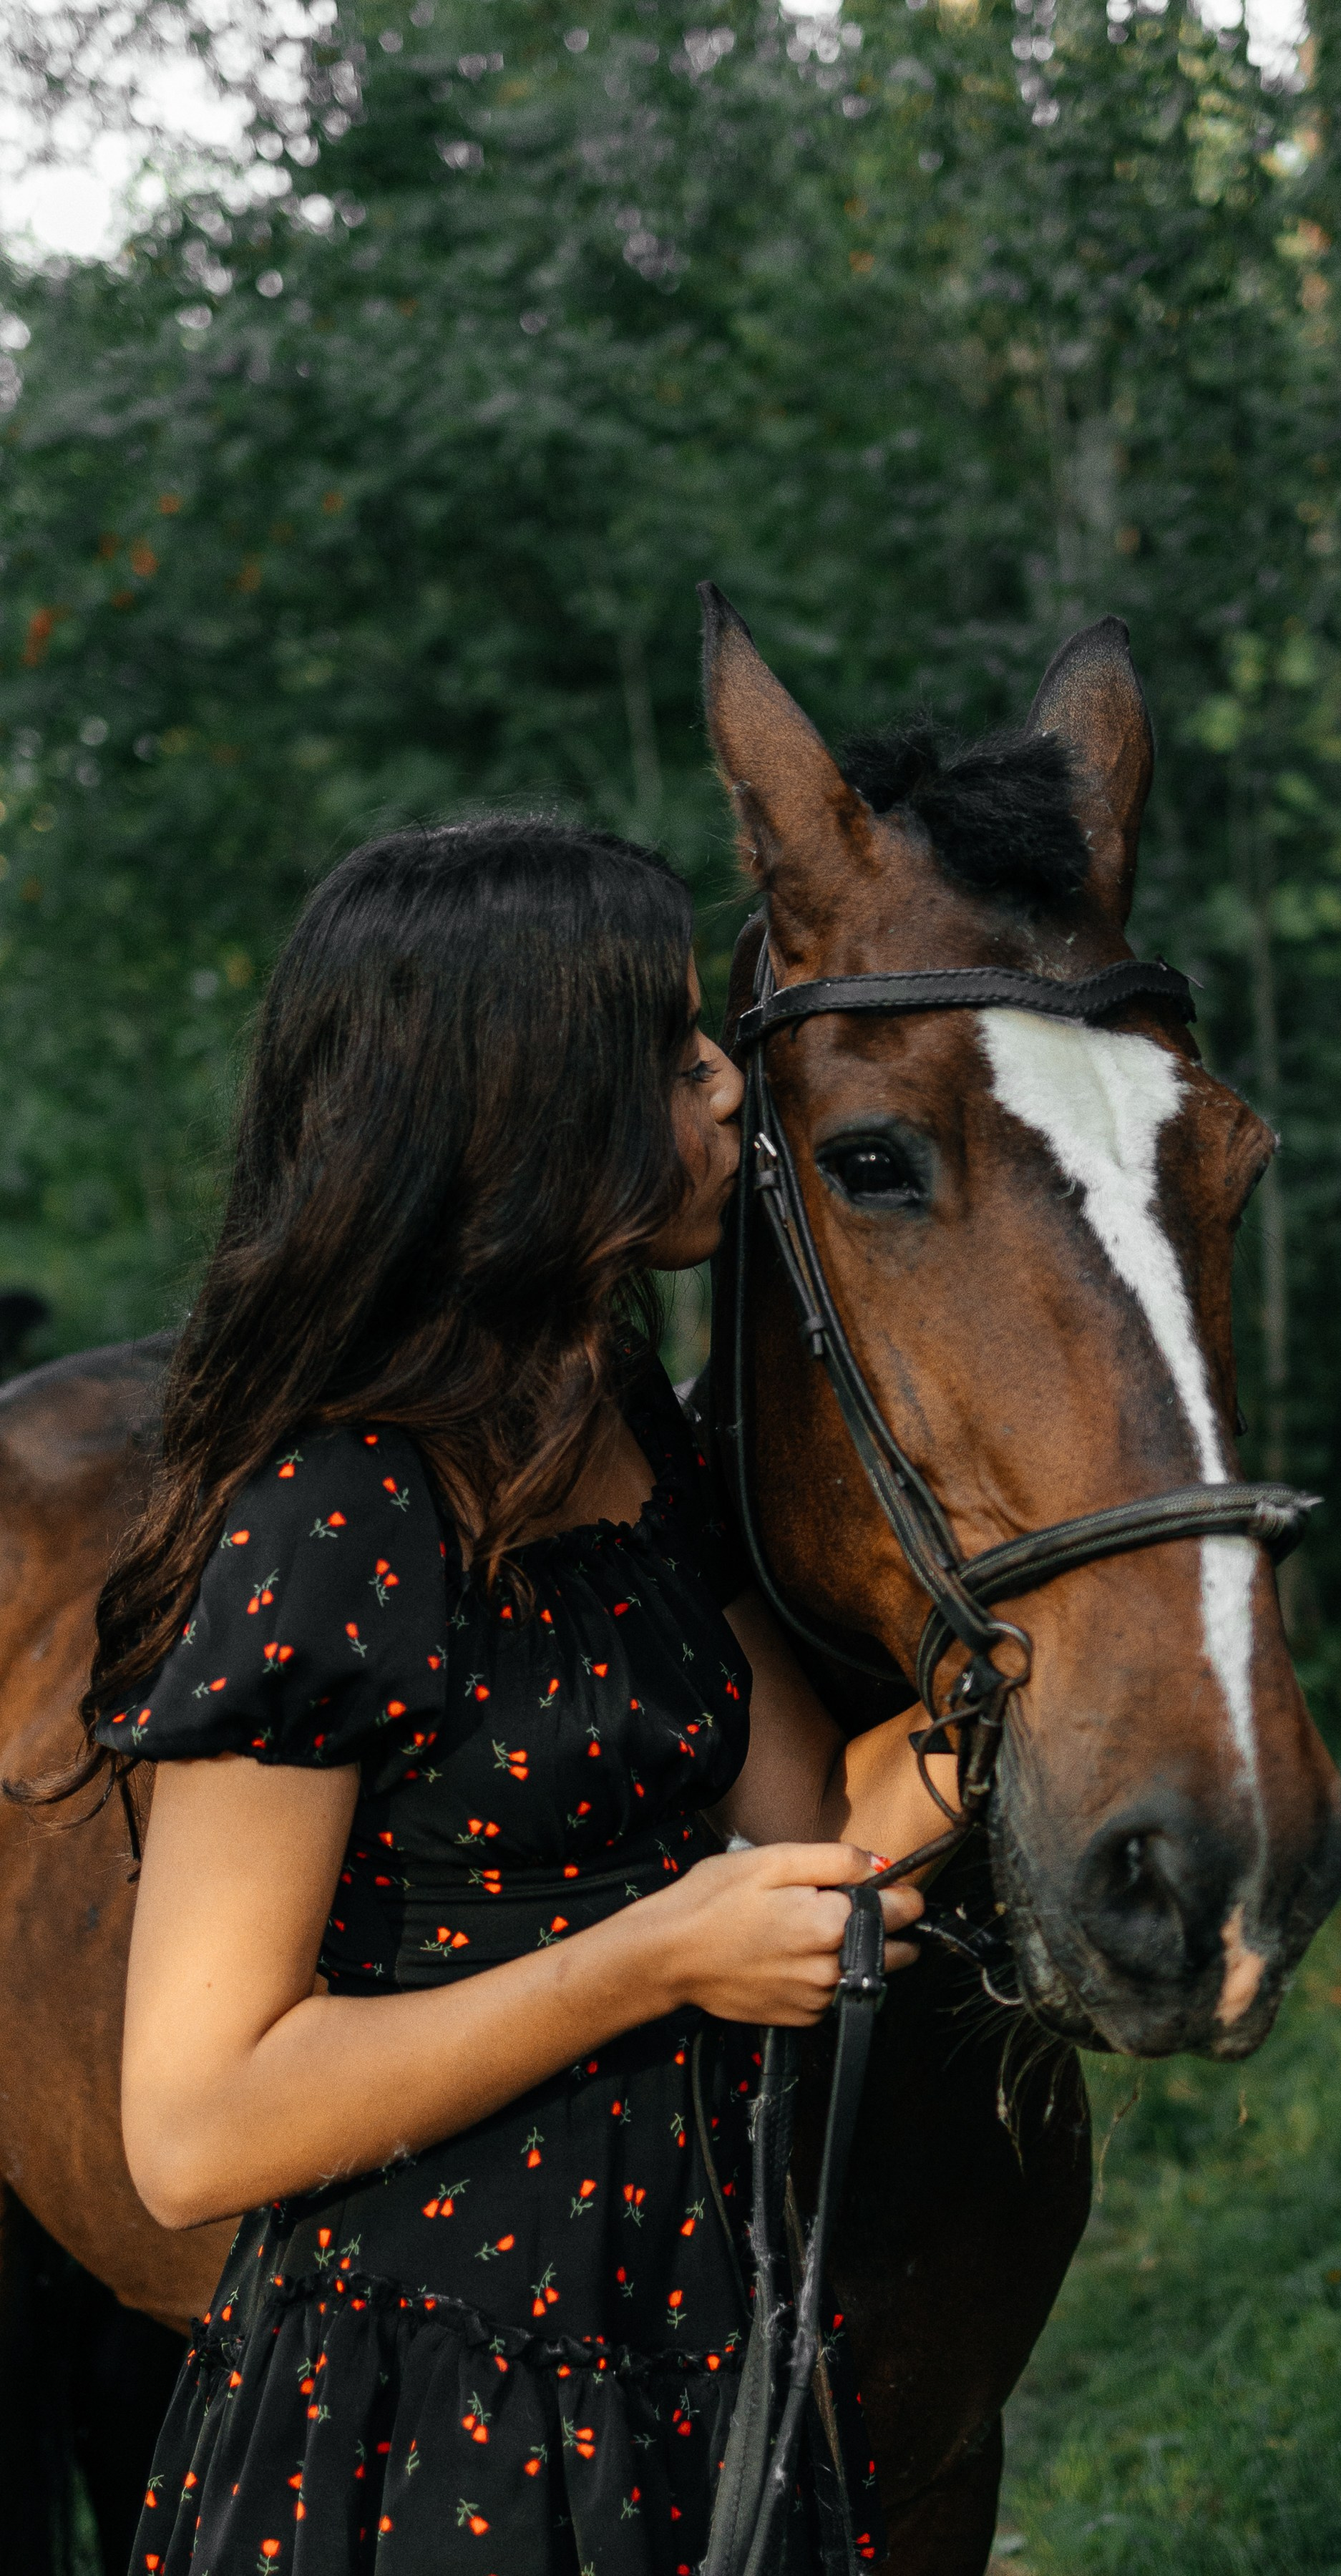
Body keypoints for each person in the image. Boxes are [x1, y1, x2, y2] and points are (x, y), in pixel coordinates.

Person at [75, 818, 947, 2576]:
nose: (729, 1085)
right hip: (428, 2407)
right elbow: (193, 2124)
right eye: (674, 1052)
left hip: (688, 2343)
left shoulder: (615, 1426)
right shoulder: (337, 1510)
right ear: (523, 1102)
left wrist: (1069, 1660)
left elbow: (812, 1834)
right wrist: (652, 1958)